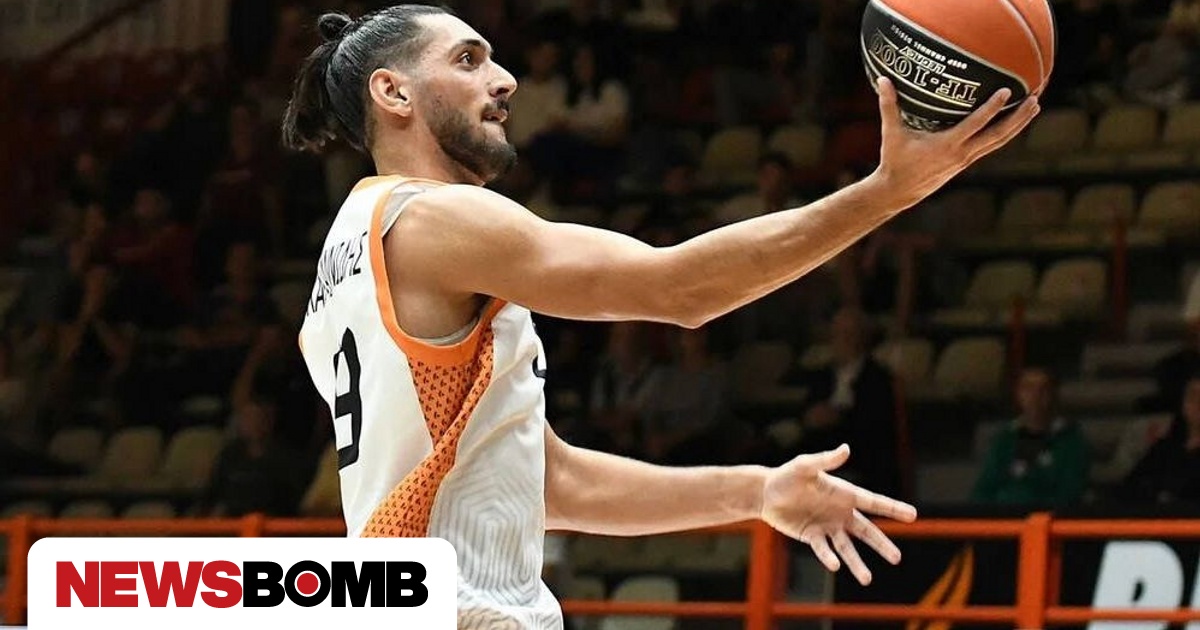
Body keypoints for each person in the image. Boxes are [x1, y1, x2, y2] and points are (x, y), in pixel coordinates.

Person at [281, 5, 1038, 628]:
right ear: (394, 92)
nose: (504, 80)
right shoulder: (433, 219)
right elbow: (679, 289)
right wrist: (886, 193)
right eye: (468, 60)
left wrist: (757, 492)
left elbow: (551, 482)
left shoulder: (342, 263)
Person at [971, 367, 1090, 506]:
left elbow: (1069, 493)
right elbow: (984, 488)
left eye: (1043, 389)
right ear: (1018, 394)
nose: (1035, 396)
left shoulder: (1071, 441)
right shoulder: (1004, 439)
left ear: (1054, 394)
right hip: (1004, 515)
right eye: (1028, 388)